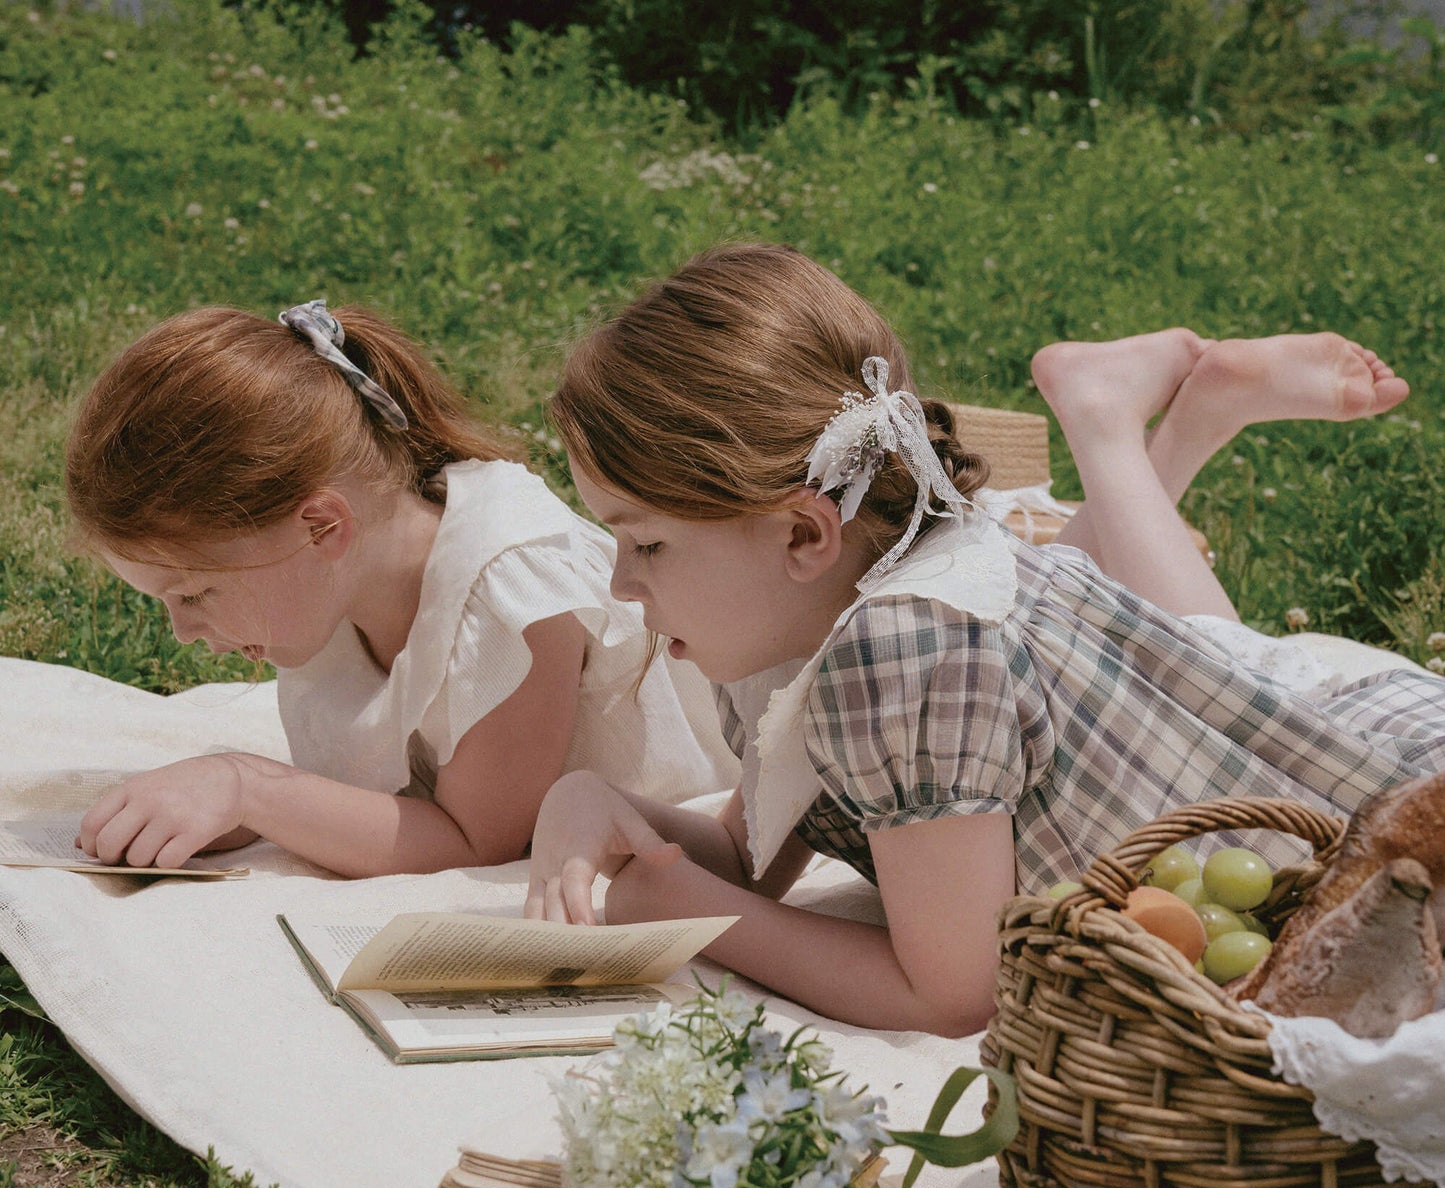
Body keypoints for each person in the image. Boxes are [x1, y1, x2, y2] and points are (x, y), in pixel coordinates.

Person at [523, 243, 1445, 1035]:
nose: (620, 583)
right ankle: (1130, 424)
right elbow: (750, 856)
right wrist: (593, 800)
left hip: (1379, 884)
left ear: (804, 534)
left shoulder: (903, 647)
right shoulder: (793, 619)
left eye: (646, 543)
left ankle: (1121, 423)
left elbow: (950, 991)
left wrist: (693, 913)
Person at [64, 300, 736, 877]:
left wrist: (250, 789)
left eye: (194, 595)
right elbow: (377, 790)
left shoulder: (508, 589)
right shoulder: (327, 583)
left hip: (693, 842)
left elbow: (475, 840)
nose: (183, 631)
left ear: (322, 527)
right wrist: (229, 811)